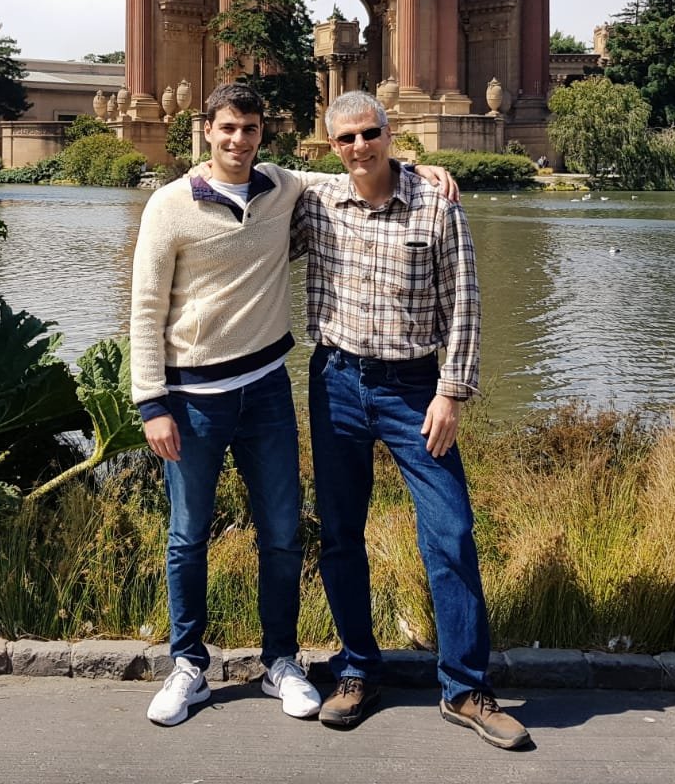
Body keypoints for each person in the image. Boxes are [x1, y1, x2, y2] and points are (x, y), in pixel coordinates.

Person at [132, 82, 457, 728]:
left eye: (249, 129)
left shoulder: (282, 188)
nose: (237, 140)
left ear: (262, 134)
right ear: (206, 131)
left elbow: (353, 167)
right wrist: (151, 402)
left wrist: (420, 166)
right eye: (227, 128)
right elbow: (144, 306)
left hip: (268, 390)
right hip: (193, 397)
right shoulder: (170, 205)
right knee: (187, 534)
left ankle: (280, 660)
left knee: (283, 533)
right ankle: (188, 664)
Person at [291, 90, 531, 750]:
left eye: (370, 133)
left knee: (450, 530)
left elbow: (465, 304)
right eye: (345, 139)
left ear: (389, 133)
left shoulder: (436, 203)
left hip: (414, 389)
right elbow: (252, 201)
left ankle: (465, 688)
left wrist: (451, 393)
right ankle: (358, 670)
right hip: (337, 380)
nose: (360, 147)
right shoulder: (316, 201)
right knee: (340, 533)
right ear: (331, 145)